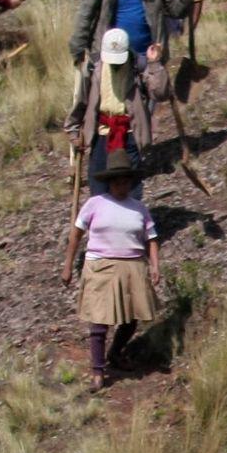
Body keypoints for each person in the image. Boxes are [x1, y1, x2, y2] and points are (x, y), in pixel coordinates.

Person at [61, 149, 160, 393]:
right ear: (109, 181)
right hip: (101, 265)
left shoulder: (139, 208)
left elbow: (152, 238)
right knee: (99, 320)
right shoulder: (95, 204)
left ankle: (115, 353)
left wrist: (155, 265)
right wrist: (68, 265)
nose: (122, 185)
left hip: (133, 264)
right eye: (117, 181)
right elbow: (76, 234)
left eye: (126, 180)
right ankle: (97, 370)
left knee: (131, 317)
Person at [72, 0, 179, 109]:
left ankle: (141, 137)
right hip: (111, 55)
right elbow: (86, 11)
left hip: (148, 56)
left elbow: (176, 10)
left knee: (145, 108)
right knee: (110, 109)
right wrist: (78, 47)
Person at [68, 28, 151, 195]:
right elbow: (82, 101)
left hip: (130, 135)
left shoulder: (139, 66)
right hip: (101, 135)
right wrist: (74, 130)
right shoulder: (93, 67)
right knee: (99, 190)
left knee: (131, 191)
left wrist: (155, 64)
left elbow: (161, 92)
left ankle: (131, 220)